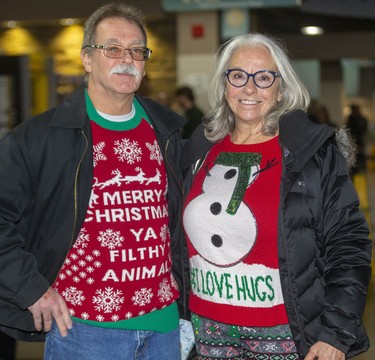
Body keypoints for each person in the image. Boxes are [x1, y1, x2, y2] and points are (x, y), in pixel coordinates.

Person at [0, 3, 189, 359]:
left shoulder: (169, 134)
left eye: (137, 50)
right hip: (84, 332)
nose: (127, 58)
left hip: (164, 330)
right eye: (113, 48)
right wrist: (30, 287)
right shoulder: (42, 138)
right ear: (87, 59)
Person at [181, 33, 372, 360]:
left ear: (282, 88)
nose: (250, 88)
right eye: (238, 76)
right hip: (207, 329)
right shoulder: (198, 149)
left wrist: (336, 334)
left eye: (264, 77)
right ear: (224, 85)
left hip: (284, 333)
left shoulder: (311, 153)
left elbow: (348, 243)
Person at [346, 104, 368, 174]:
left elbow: (363, 131)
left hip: (360, 144)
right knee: (353, 164)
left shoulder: (362, 120)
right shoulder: (350, 119)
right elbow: (348, 131)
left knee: (361, 164)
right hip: (352, 144)